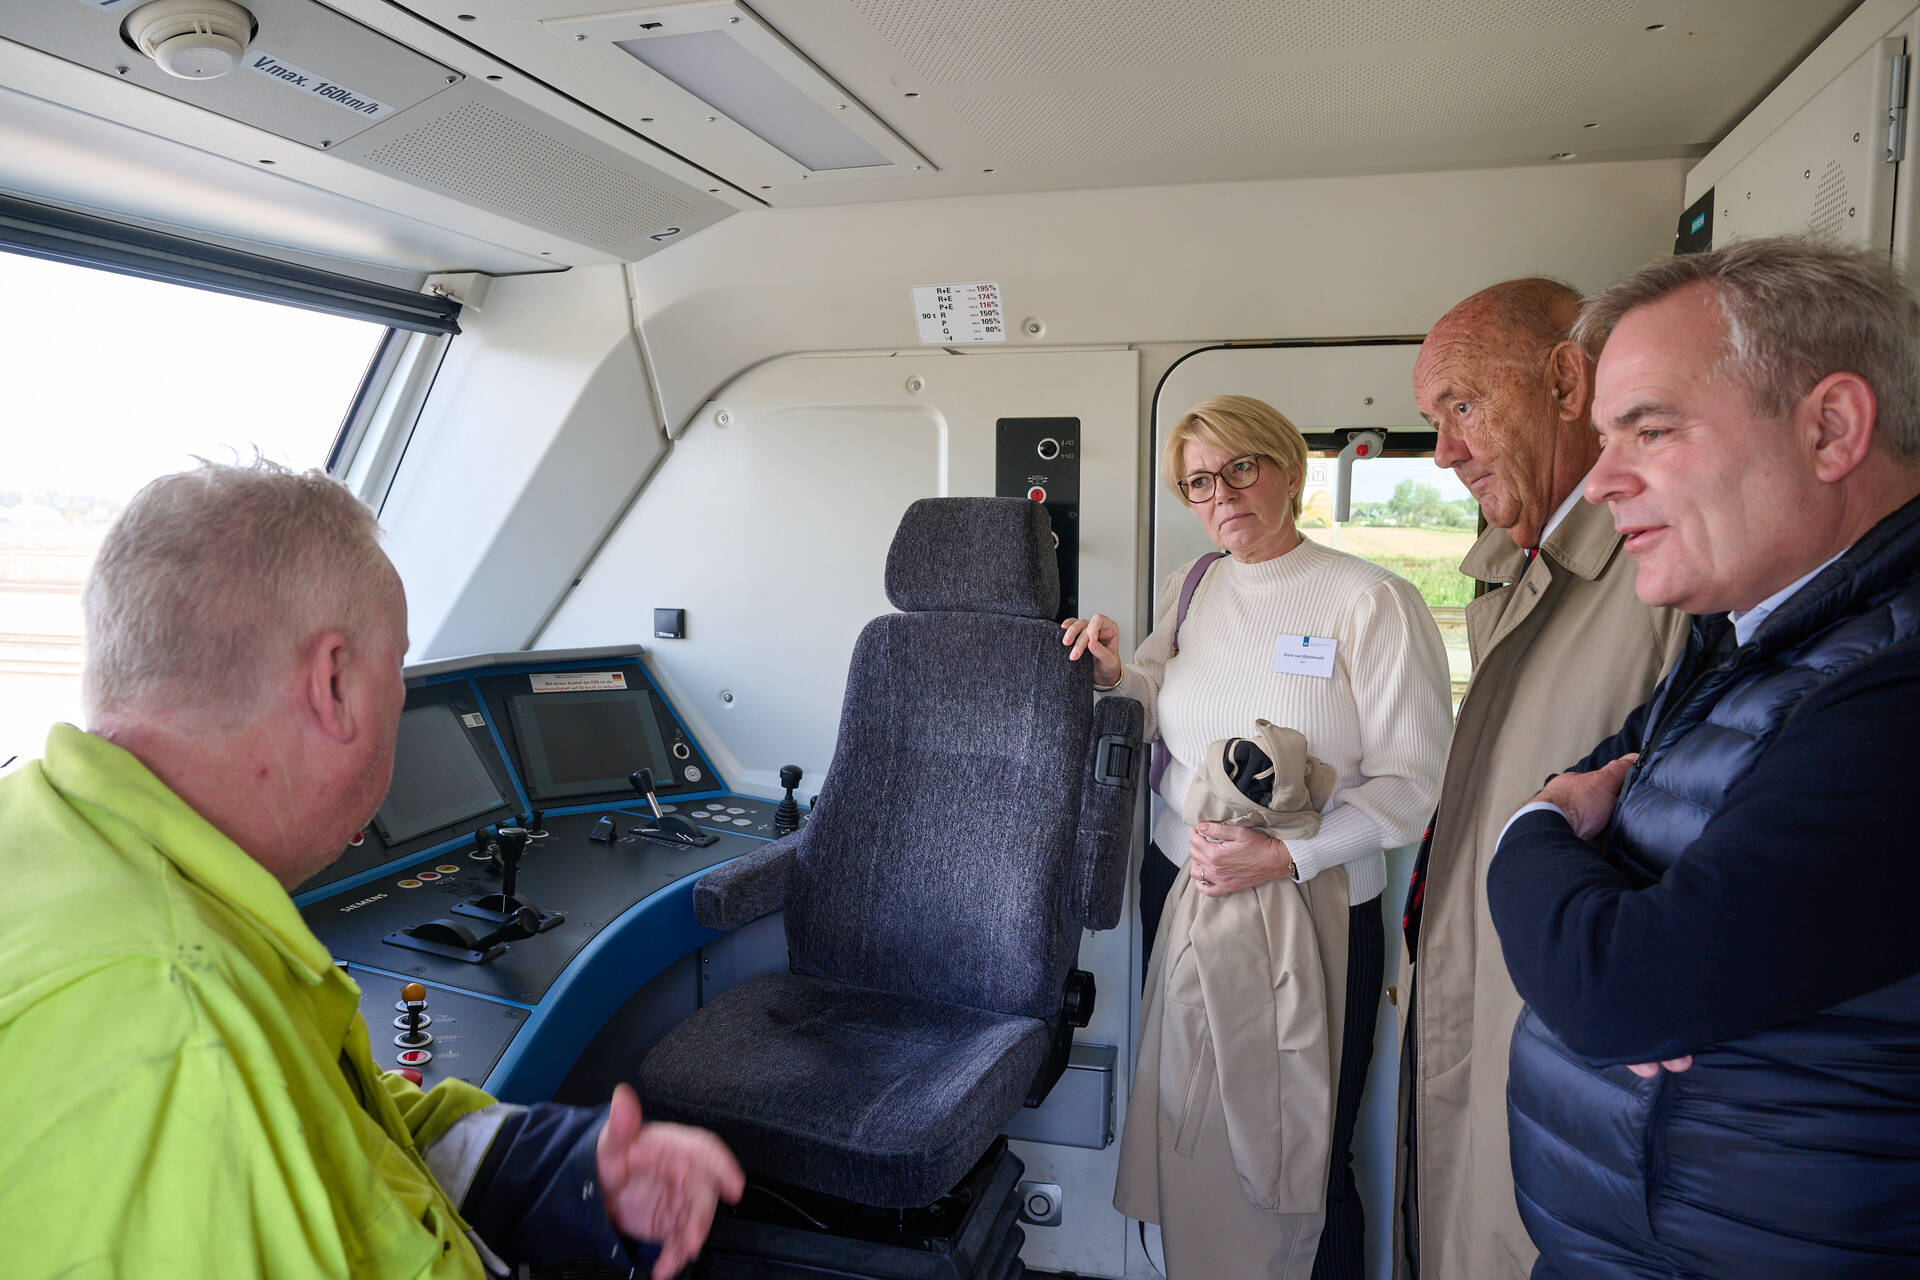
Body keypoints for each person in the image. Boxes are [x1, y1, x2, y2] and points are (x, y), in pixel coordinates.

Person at [0, 460, 743, 1279]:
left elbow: (332, 1127)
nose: (398, 695)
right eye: (395, 670)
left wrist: (554, 1170)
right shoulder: (187, 1034)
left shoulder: (53, 837)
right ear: (334, 684)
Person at [1489, 236, 1920, 1277]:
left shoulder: (1892, 689)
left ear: (1830, 428)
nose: (1598, 483)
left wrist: (1534, 829)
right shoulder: (1748, 638)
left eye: (1648, 429)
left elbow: (1618, 987)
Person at [1070, 395, 1451, 1278]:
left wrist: (1284, 854)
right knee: (1193, 1124)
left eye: (1241, 468)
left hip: (1307, 902)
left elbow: (1416, 785)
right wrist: (1115, 672)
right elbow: (1157, 694)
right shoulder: (1195, 585)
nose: (1222, 495)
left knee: (1300, 1154)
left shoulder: (1373, 602)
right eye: (1199, 481)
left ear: (1288, 469)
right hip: (1187, 889)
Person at [1395, 279, 1687, 1280]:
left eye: (1463, 406)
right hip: (1495, 1039)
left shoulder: (1659, 580)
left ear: (1567, 379)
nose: (1442, 449)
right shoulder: (1515, 569)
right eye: (1433, 420)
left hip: (1568, 1071)